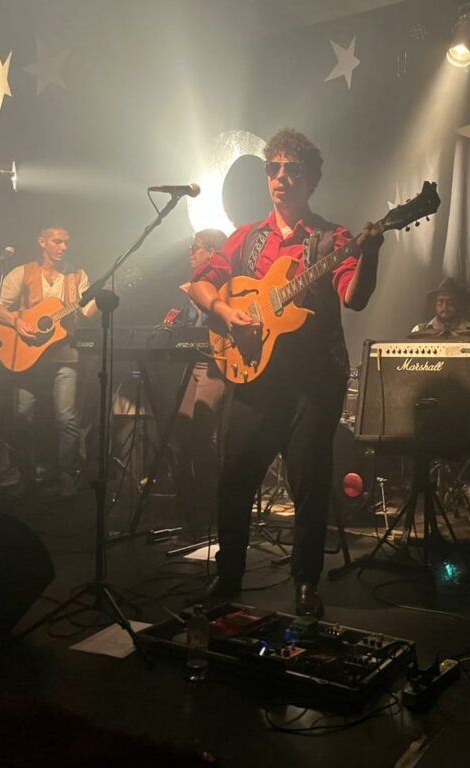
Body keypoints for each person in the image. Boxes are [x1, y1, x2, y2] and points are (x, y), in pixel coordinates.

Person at [187, 128, 385, 616]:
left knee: (310, 483)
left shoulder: (334, 239)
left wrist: (371, 252)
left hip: (313, 381)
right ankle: (228, 575)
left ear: (311, 179)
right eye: (272, 168)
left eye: (291, 169)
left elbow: (354, 297)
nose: (280, 177)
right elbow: (201, 283)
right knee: (235, 477)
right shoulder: (245, 238)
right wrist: (226, 313)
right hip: (255, 378)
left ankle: (305, 583)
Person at [0, 227, 98, 498]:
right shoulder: (22, 272)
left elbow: (86, 312)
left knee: (66, 418)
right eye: (57, 242)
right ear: (42, 243)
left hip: (65, 356)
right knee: (22, 415)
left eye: (66, 242)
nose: (63, 247)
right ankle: (26, 477)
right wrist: (16, 321)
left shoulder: (77, 275)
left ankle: (67, 479)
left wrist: (97, 302)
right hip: (27, 357)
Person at [170, 228, 229, 541]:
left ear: (213, 252)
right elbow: (186, 331)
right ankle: (188, 511)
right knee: (182, 431)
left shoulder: (221, 284)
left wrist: (197, 296)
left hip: (214, 365)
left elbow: (216, 324)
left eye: (196, 247)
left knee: (202, 435)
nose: (190, 253)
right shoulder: (194, 287)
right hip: (194, 362)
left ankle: (210, 513)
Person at [410, 276, 470, 345]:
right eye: (440, 302)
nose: (445, 307)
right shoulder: (419, 331)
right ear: (435, 304)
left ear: (459, 304)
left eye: (450, 302)